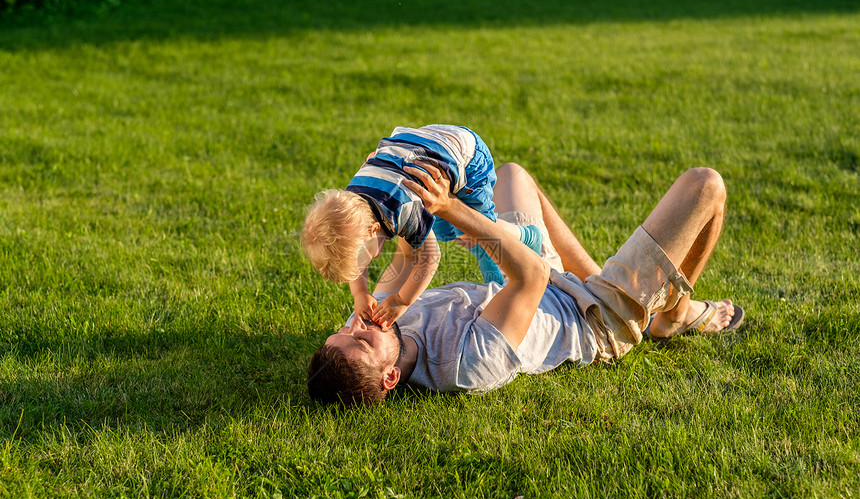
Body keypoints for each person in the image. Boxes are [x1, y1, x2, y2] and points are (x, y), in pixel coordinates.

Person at [307, 161, 744, 406]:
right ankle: (670, 315)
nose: (357, 326)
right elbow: (530, 275)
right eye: (360, 342)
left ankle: (615, 281)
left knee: (513, 176)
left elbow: (409, 257)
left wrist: (390, 209)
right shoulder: (465, 365)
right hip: (595, 320)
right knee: (706, 186)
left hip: (542, 282)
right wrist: (453, 210)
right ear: (389, 378)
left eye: (345, 330)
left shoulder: (377, 321)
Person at [301, 125, 543, 329]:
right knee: (445, 230)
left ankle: (525, 238)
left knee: (477, 230)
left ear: (373, 230)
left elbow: (429, 259)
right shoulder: (352, 202)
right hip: (420, 142)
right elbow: (356, 259)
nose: (365, 266)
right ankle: (480, 243)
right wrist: (360, 294)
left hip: (468, 154)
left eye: (364, 262)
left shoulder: (405, 209)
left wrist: (401, 301)